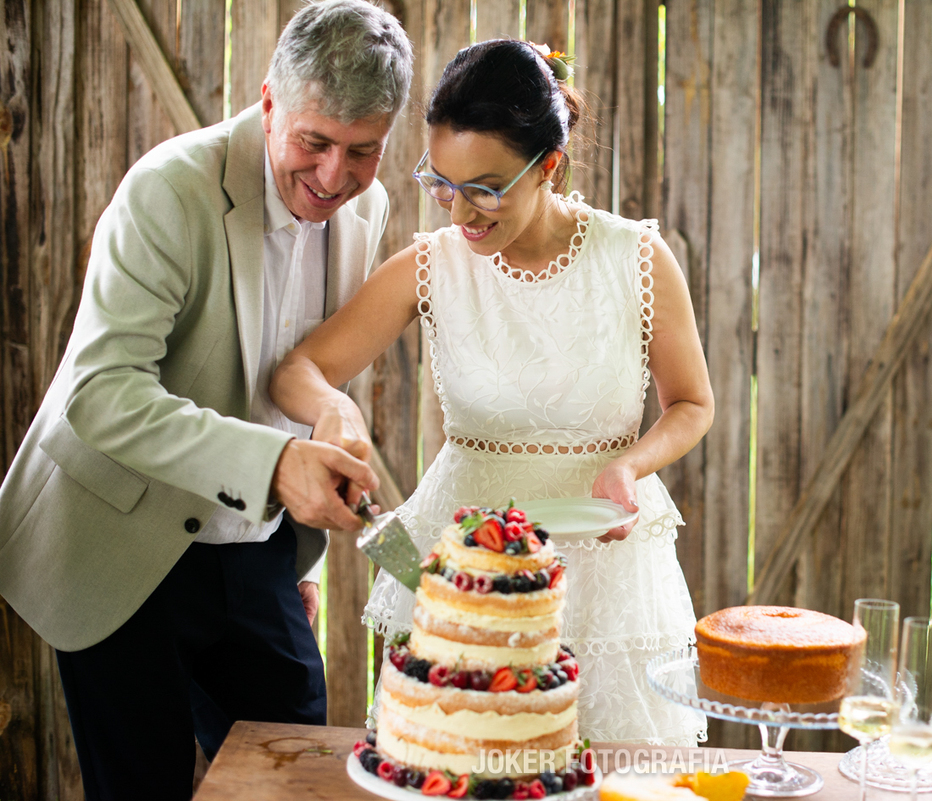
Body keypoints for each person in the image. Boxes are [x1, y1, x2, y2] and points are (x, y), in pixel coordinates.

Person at [0, 2, 412, 797]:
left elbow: (299, 371)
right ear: (268, 103)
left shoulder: (368, 207)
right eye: (314, 142)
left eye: (363, 150)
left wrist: (301, 525)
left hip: (257, 551)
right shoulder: (167, 190)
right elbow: (101, 392)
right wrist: (277, 462)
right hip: (119, 546)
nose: (335, 178)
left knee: (297, 781)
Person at [270, 39, 714, 745]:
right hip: (461, 582)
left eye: (486, 186)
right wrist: (333, 409)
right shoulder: (432, 265)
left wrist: (630, 464)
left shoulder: (635, 257)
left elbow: (692, 403)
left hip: (606, 566)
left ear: (550, 167)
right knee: (459, 760)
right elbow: (298, 370)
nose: (461, 212)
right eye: (442, 182)